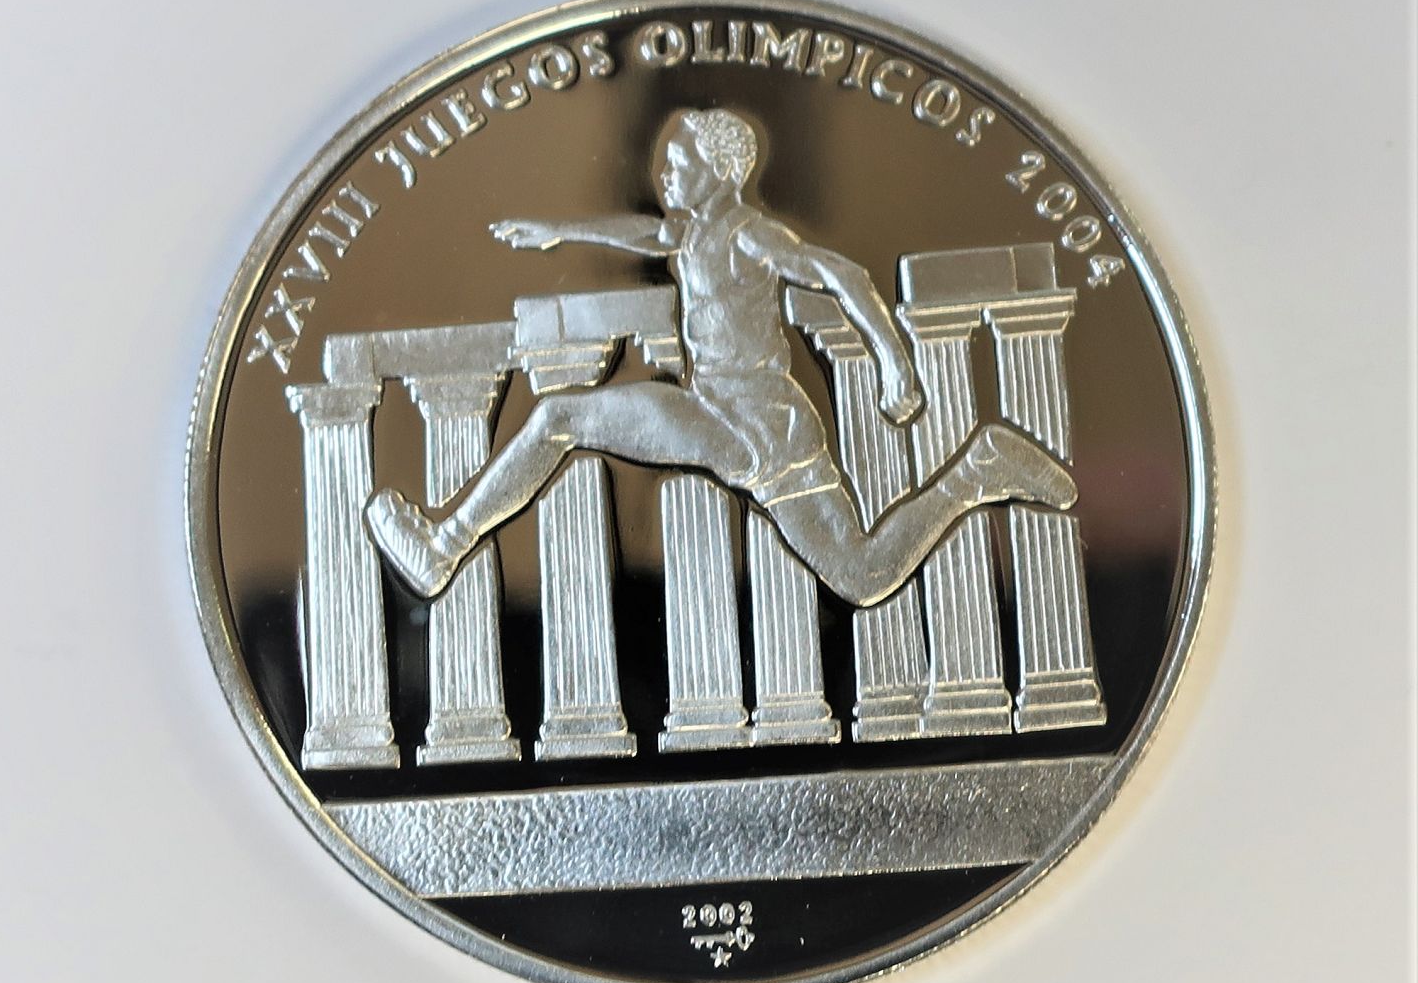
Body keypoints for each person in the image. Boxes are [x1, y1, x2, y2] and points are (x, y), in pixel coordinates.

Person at [365, 108, 1074, 609]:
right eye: (667, 161)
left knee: (860, 578)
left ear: (720, 171)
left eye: (680, 163)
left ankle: (444, 546)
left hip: (756, 423)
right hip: (719, 412)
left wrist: (896, 365)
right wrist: (558, 229)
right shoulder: (692, 232)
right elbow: (648, 234)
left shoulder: (748, 233)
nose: (664, 172)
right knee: (859, 575)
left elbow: (844, 275)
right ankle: (980, 470)